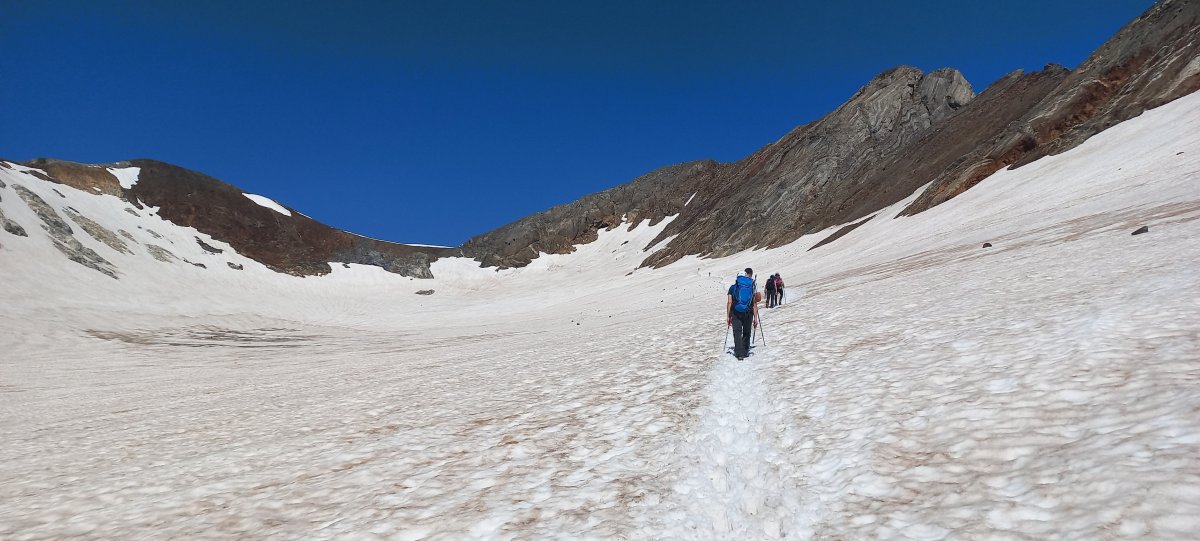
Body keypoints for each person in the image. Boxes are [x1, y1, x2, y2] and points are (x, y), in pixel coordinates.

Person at [726, 268, 759, 359]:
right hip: (748, 312)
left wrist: (728, 316)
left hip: (736, 312)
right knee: (747, 331)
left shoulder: (733, 287)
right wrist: (755, 318)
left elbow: (729, 302)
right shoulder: (750, 287)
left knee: (737, 332)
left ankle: (739, 353)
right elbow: (754, 303)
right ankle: (745, 350)